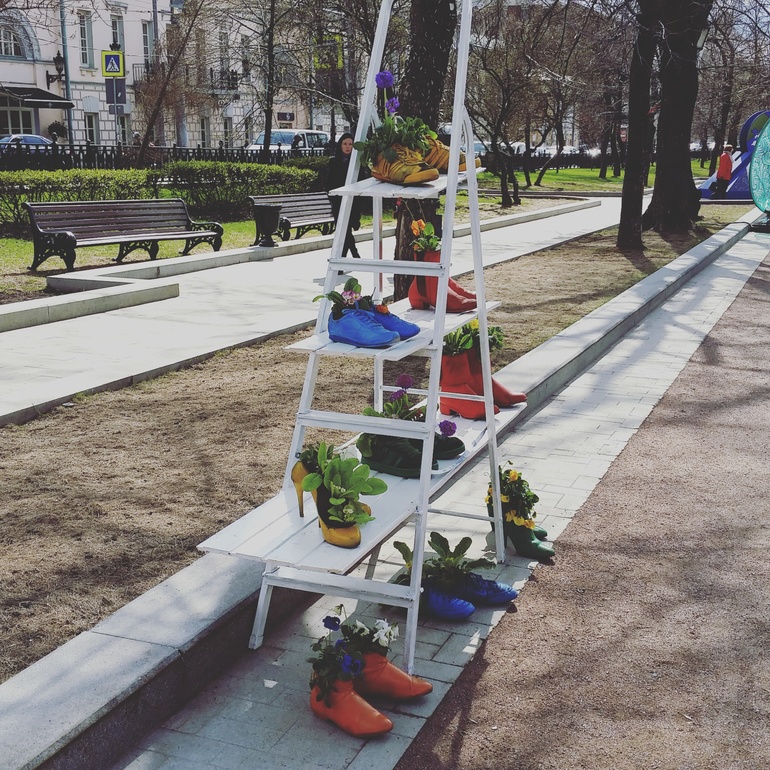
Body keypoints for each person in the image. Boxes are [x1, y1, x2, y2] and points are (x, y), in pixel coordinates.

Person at [325, 132, 364, 259]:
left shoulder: (357, 162)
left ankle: (348, 255)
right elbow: (329, 183)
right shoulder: (334, 162)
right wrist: (333, 198)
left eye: (350, 144)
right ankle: (349, 256)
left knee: (347, 229)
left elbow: (361, 181)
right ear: (340, 145)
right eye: (345, 144)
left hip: (353, 201)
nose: (347, 147)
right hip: (338, 201)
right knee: (343, 229)